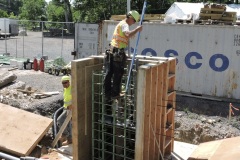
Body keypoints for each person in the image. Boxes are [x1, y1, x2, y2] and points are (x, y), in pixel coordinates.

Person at [103, 10, 143, 101]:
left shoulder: (120, 24)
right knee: (118, 73)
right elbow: (127, 34)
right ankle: (115, 94)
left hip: (112, 51)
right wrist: (137, 29)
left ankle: (107, 94)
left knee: (108, 74)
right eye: (134, 21)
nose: (134, 23)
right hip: (117, 53)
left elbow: (121, 39)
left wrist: (124, 55)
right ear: (130, 18)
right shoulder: (125, 25)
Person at [57, 75, 73, 146]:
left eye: (65, 82)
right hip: (65, 108)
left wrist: (71, 108)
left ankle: (64, 134)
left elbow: (75, 99)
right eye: (63, 83)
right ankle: (69, 140)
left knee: (59, 120)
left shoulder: (72, 89)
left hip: (70, 108)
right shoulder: (65, 89)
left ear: (69, 82)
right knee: (68, 125)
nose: (64, 84)